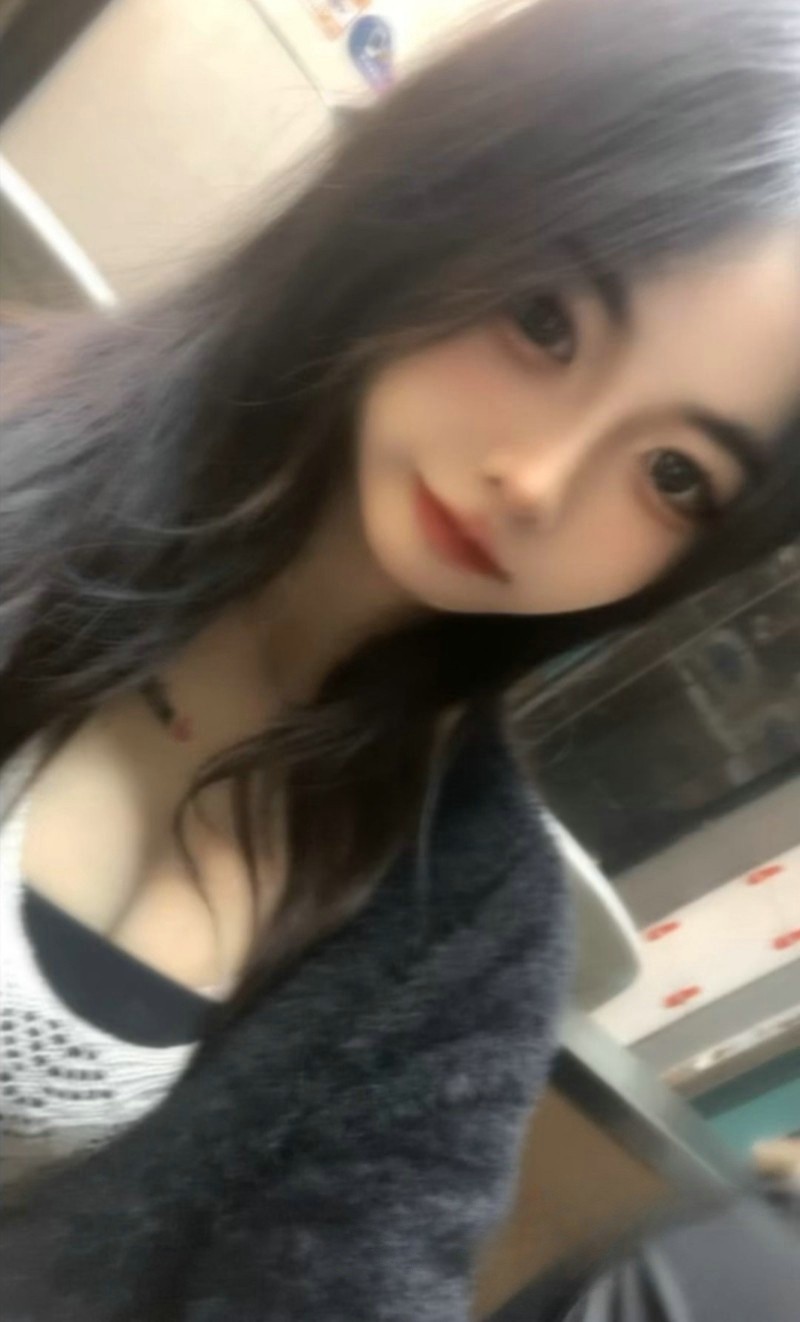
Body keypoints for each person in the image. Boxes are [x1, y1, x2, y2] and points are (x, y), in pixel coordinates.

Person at [0, 0, 798, 1316]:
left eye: (673, 473)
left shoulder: (472, 923)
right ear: (441, 195)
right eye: (544, 319)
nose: (536, 479)